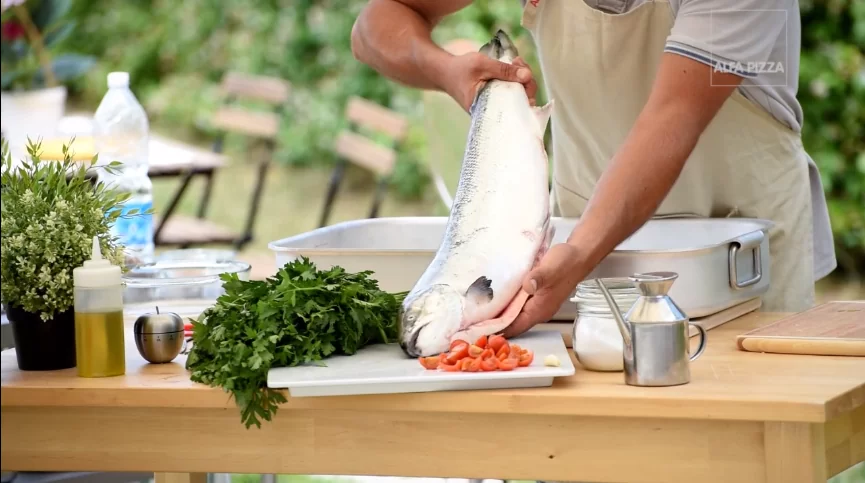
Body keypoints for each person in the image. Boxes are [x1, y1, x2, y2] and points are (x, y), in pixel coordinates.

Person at [350, 0, 836, 338]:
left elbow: (672, 118)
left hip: (737, 275)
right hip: (585, 273)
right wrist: (444, 69)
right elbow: (375, 25)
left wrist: (580, 251)